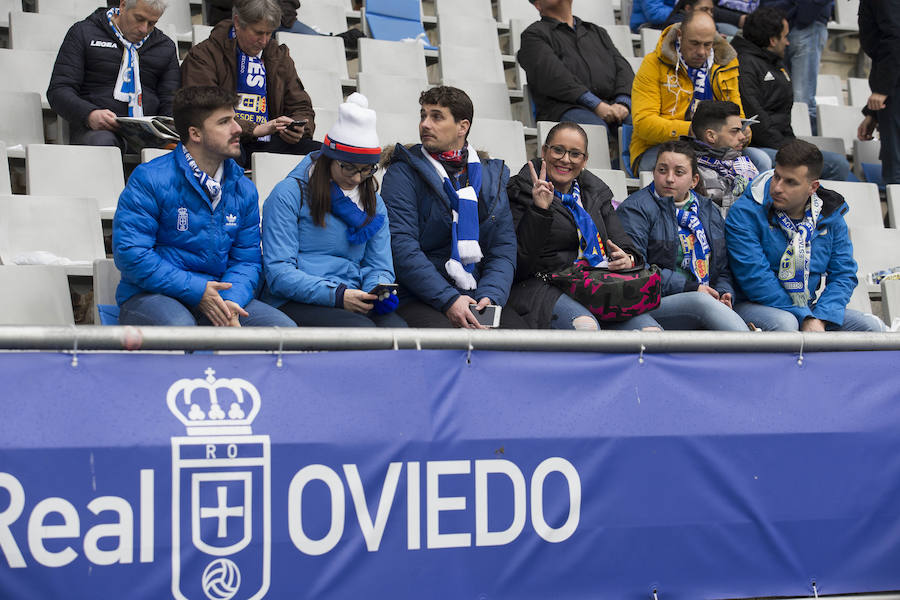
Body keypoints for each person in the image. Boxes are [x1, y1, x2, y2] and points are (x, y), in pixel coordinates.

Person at [112, 86, 296, 328]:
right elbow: (131, 255)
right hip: (152, 296)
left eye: (235, 118)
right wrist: (198, 291)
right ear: (195, 134)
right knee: (183, 331)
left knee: (284, 333)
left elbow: (247, 261)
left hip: (220, 295)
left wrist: (230, 302)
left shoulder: (244, 188)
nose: (238, 128)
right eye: (224, 122)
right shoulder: (149, 178)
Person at [380, 86, 525, 329]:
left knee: (522, 341)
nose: (425, 124)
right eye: (423, 115)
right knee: (453, 343)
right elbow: (401, 247)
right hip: (418, 295)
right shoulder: (403, 172)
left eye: (436, 117)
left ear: (462, 126)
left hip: (475, 291)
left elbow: (502, 248)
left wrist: (491, 297)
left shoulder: (490, 176)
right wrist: (449, 299)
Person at [261, 94, 406, 328]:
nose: (357, 178)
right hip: (293, 299)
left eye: (367, 170)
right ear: (329, 158)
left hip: (353, 296)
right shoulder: (289, 193)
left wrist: (376, 290)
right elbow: (279, 274)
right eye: (348, 167)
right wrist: (337, 295)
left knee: (401, 334)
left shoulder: (373, 202)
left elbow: (379, 266)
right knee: (362, 333)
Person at [506, 122, 658, 330]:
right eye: (558, 150)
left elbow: (624, 244)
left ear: (585, 160)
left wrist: (628, 259)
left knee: (651, 333)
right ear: (544, 151)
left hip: (597, 285)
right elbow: (519, 261)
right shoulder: (520, 189)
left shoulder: (596, 192)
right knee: (586, 327)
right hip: (544, 285)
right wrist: (540, 210)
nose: (565, 159)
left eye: (575, 154)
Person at [725, 139, 886, 331]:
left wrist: (822, 316)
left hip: (809, 308)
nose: (777, 187)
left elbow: (843, 275)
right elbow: (755, 278)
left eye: (790, 182)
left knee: (871, 327)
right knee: (786, 323)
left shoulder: (830, 215)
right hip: (753, 305)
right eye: (777, 176)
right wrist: (805, 317)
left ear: (813, 187)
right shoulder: (745, 212)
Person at [617, 140, 749, 330]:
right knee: (701, 303)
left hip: (704, 296)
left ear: (694, 181)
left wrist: (723, 293)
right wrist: (692, 289)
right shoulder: (635, 209)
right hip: (652, 301)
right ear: (654, 173)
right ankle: (748, 353)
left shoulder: (709, 210)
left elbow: (723, 267)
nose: (669, 179)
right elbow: (636, 269)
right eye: (662, 170)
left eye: (679, 172)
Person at [181, 0, 319, 167]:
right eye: (259, 33)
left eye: (269, 33)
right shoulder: (204, 55)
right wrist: (253, 129)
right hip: (226, 138)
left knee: (321, 156)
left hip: (270, 140)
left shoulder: (278, 56)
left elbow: (301, 106)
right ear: (238, 23)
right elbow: (205, 109)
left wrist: (298, 128)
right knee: (228, 156)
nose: (264, 40)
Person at [732, 6, 851, 179]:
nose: (788, 42)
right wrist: (790, 151)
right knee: (836, 165)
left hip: (779, 144)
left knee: (840, 166)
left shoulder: (775, 63)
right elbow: (756, 120)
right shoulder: (745, 65)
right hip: (758, 148)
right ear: (773, 40)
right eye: (785, 37)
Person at [47, 0, 180, 149]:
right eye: (139, 19)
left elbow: (170, 101)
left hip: (149, 134)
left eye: (152, 23)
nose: (144, 29)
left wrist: (166, 130)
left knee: (181, 149)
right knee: (103, 142)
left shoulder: (165, 46)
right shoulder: (84, 32)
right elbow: (59, 90)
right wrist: (90, 114)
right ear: (122, 6)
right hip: (96, 129)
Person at [630, 11, 747, 174]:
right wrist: (694, 131)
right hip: (660, 147)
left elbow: (737, 111)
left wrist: (741, 131)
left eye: (707, 44)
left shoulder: (725, 64)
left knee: (759, 162)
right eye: (695, 43)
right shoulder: (653, 64)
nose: (702, 52)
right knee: (699, 169)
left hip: (716, 146)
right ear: (680, 35)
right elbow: (643, 124)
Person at [518, 0, 633, 132]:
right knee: (593, 129)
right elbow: (555, 77)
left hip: (610, 105)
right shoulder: (533, 36)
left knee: (642, 126)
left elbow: (623, 68)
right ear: (538, 4)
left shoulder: (596, 32)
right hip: (564, 108)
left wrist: (623, 103)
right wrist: (596, 105)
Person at [763, 0, 834, 134]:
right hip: (779, 23)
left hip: (808, 21)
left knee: (803, 99)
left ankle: (806, 148)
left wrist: (807, 12)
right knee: (781, 93)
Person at [685, 100, 758, 216]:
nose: (742, 137)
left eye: (741, 130)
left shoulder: (744, 165)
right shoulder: (688, 172)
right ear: (711, 136)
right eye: (735, 131)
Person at [857, 0, 900, 185]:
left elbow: (895, 37)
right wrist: (873, 113)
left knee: (896, 176)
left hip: (894, 88)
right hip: (891, 88)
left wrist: (882, 89)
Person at [205, 0, 365, 49]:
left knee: (318, 44)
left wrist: (276, 10)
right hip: (241, 18)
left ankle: (335, 42)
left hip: (280, 19)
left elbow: (291, 2)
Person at [663, 0, 747, 35]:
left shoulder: (712, 25)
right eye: (704, 9)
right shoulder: (676, 24)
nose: (709, 14)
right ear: (688, 9)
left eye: (711, 11)